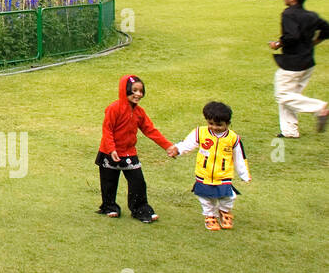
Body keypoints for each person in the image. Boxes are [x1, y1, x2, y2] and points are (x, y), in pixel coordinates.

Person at [96, 74, 173, 222]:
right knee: (109, 182)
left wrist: (168, 146)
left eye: (141, 91)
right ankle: (109, 206)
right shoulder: (114, 109)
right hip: (109, 152)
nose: (138, 94)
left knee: (138, 182)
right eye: (134, 90)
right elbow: (107, 130)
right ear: (124, 90)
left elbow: (150, 130)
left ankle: (140, 209)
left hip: (129, 153)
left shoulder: (139, 112)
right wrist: (111, 149)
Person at [167, 101, 251, 231]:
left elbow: (239, 157)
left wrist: (244, 174)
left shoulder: (233, 138)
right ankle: (210, 216)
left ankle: (224, 212)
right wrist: (177, 149)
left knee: (228, 196)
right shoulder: (200, 133)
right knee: (205, 198)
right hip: (204, 173)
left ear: (227, 124)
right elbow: (187, 144)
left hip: (224, 175)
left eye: (219, 125)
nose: (214, 127)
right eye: (211, 123)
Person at [269, 0, 329, 137]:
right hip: (307, 62)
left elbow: (291, 36)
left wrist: (277, 44)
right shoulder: (312, 15)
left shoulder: (288, 14)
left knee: (283, 95)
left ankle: (320, 108)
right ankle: (289, 131)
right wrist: (315, 42)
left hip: (292, 63)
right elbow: (327, 29)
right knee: (292, 96)